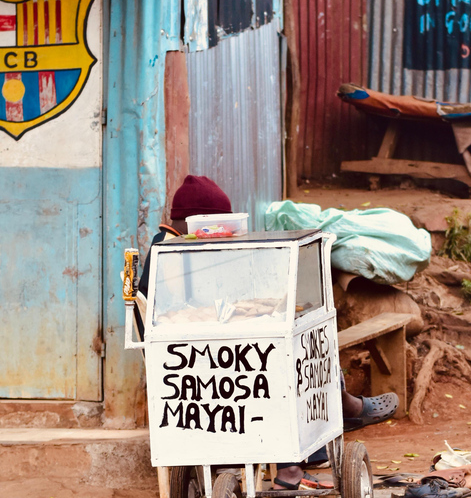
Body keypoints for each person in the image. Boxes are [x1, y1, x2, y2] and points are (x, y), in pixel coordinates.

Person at [140, 175, 399, 489]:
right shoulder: (174, 254)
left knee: (298, 354)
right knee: (289, 366)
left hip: (206, 364)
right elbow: (189, 316)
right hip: (207, 369)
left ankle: (325, 433)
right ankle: (330, 428)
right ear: (198, 222)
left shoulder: (175, 247)